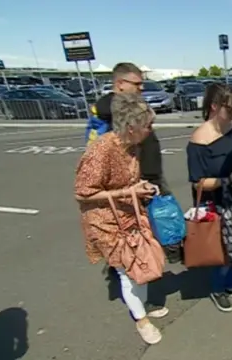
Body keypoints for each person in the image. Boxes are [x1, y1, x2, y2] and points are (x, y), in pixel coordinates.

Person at [74, 93, 168, 345]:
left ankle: (142, 304)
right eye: (147, 125)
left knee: (141, 260)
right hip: (105, 221)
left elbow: (128, 180)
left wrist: (142, 186)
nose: (151, 130)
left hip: (129, 214)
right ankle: (141, 320)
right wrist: (128, 192)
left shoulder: (133, 146)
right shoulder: (102, 149)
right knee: (127, 270)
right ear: (131, 127)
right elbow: (83, 192)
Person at [186, 82, 232, 312]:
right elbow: (199, 182)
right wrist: (230, 180)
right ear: (215, 107)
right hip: (213, 200)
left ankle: (231, 284)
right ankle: (218, 289)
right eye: (230, 109)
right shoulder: (198, 141)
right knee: (220, 247)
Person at [92, 62, 171, 194]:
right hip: (137, 181)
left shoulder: (131, 104)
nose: (142, 88)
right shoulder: (113, 108)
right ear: (120, 84)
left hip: (149, 177)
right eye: (137, 84)